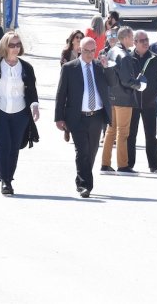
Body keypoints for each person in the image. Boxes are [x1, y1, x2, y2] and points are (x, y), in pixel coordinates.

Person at [0, 30, 40, 195]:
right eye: (12, 45)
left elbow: (32, 90)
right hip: (0, 111)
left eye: (18, 44)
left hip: (20, 113)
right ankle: (5, 180)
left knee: (14, 147)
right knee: (3, 144)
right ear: (5, 46)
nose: (15, 48)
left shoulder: (26, 67)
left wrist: (34, 106)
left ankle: (9, 177)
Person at [55, 37, 111, 198]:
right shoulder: (69, 68)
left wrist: (107, 68)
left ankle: (83, 177)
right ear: (80, 49)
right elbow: (61, 94)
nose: (89, 54)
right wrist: (59, 117)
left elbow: (112, 84)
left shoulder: (100, 67)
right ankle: (84, 185)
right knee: (82, 150)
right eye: (86, 51)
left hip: (96, 116)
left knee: (92, 151)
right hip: (76, 117)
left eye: (92, 51)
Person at [100, 27, 142, 173]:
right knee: (122, 132)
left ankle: (105, 163)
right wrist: (139, 84)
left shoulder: (111, 51)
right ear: (125, 38)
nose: (134, 40)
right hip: (124, 98)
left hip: (111, 96)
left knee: (110, 131)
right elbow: (126, 80)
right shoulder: (124, 55)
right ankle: (123, 165)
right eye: (132, 38)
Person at [128, 30, 157, 174]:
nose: (145, 42)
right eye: (142, 40)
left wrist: (155, 93)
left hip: (150, 103)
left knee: (151, 136)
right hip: (131, 103)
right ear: (135, 43)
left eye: (146, 40)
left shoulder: (155, 58)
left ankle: (153, 165)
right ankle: (128, 164)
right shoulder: (128, 58)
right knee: (130, 134)